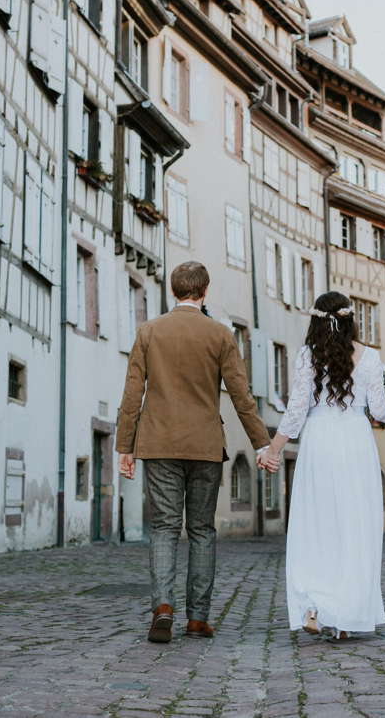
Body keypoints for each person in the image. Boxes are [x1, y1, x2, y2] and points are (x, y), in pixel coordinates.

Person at [116, 261, 271, 644]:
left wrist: (125, 447)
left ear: (172, 292)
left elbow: (132, 393)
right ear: (205, 293)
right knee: (202, 529)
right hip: (204, 445)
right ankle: (198, 618)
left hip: (158, 442)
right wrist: (262, 443)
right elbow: (240, 394)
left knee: (164, 527)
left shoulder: (149, 331)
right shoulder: (219, 334)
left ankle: (163, 607)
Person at [258, 291, 385, 640]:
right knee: (354, 528)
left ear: (316, 321)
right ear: (352, 319)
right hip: (355, 443)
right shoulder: (371, 357)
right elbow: (379, 412)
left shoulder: (308, 356)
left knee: (316, 526)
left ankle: (313, 606)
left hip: (319, 442)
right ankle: (346, 618)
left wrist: (273, 449)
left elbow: (296, 411)